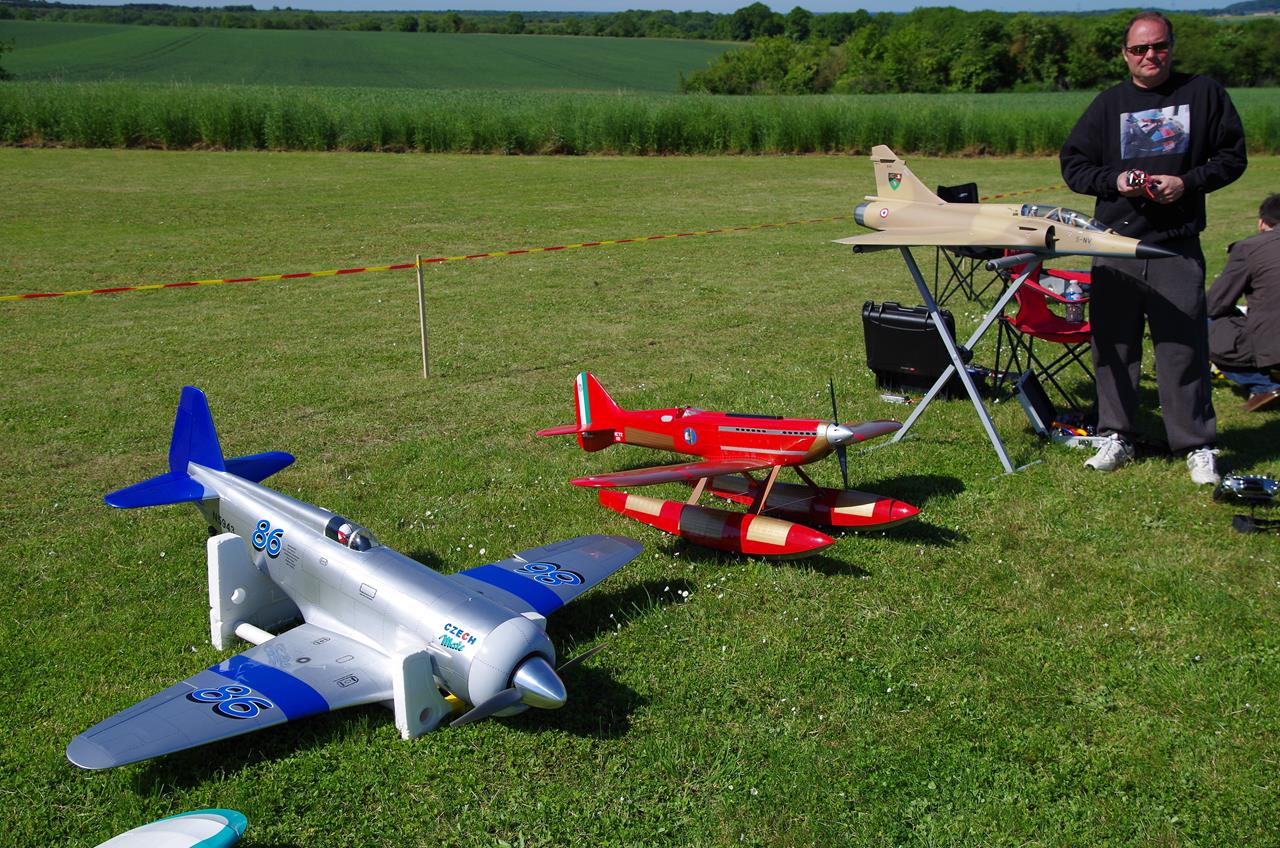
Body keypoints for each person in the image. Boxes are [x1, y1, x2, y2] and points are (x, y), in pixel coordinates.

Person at [1060, 10, 1247, 486]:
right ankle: (1116, 435)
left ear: (1171, 48)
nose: (1150, 55)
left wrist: (1187, 183)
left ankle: (1196, 444)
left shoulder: (1203, 94)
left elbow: (1232, 157)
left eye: (1159, 46)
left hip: (1175, 246)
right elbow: (1074, 164)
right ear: (1125, 54)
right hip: (1115, 244)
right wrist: (1116, 181)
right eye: (1140, 49)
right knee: (1113, 345)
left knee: (1183, 348)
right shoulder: (1108, 104)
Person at [1208, 194, 1280, 412]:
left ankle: (1263, 386)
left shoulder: (1250, 248)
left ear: (1262, 223)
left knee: (1200, 322)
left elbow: (1215, 304)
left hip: (1273, 343)